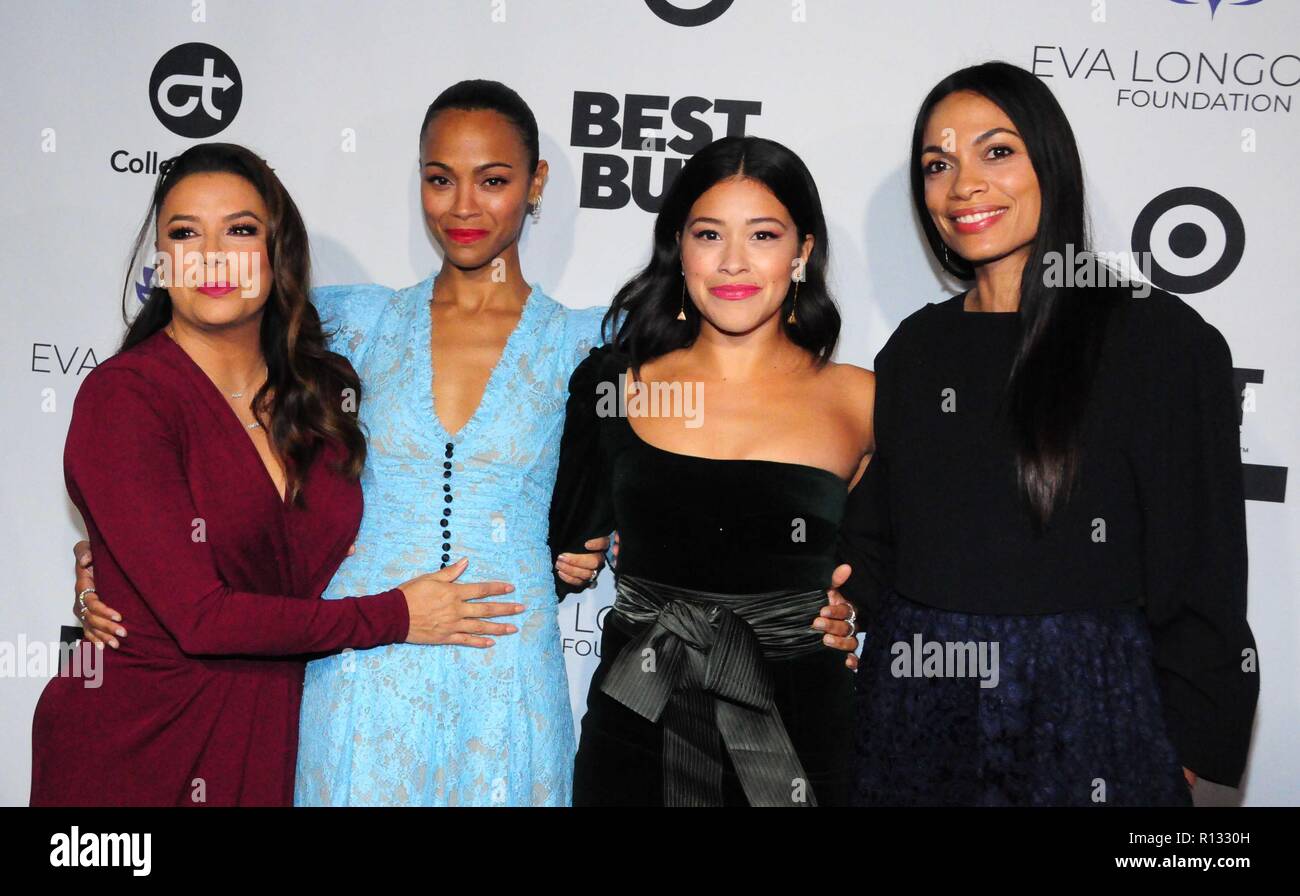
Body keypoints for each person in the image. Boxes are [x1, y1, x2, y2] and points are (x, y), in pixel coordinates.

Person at [34, 143, 522, 807]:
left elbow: (446, 480)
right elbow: (201, 618)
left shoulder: (326, 392)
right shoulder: (126, 399)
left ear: (276, 250)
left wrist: (588, 527)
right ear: (163, 258)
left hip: (271, 733)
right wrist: (395, 616)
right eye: (184, 233)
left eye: (239, 230)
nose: (211, 255)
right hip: (136, 745)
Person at [841, 61, 1259, 806]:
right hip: (915, 707)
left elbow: (1203, 566)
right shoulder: (915, 350)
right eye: (938, 165)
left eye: (996, 152)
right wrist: (836, 601)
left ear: (1051, 164)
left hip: (1095, 712)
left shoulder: (1160, 341)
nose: (964, 184)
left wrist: (1180, 752)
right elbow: (880, 542)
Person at [549, 135, 868, 806]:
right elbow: (561, 547)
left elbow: (900, 554)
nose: (732, 262)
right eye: (708, 233)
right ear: (678, 246)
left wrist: (857, 604)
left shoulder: (862, 400)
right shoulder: (616, 385)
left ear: (803, 252)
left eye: (762, 235)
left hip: (802, 733)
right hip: (636, 722)